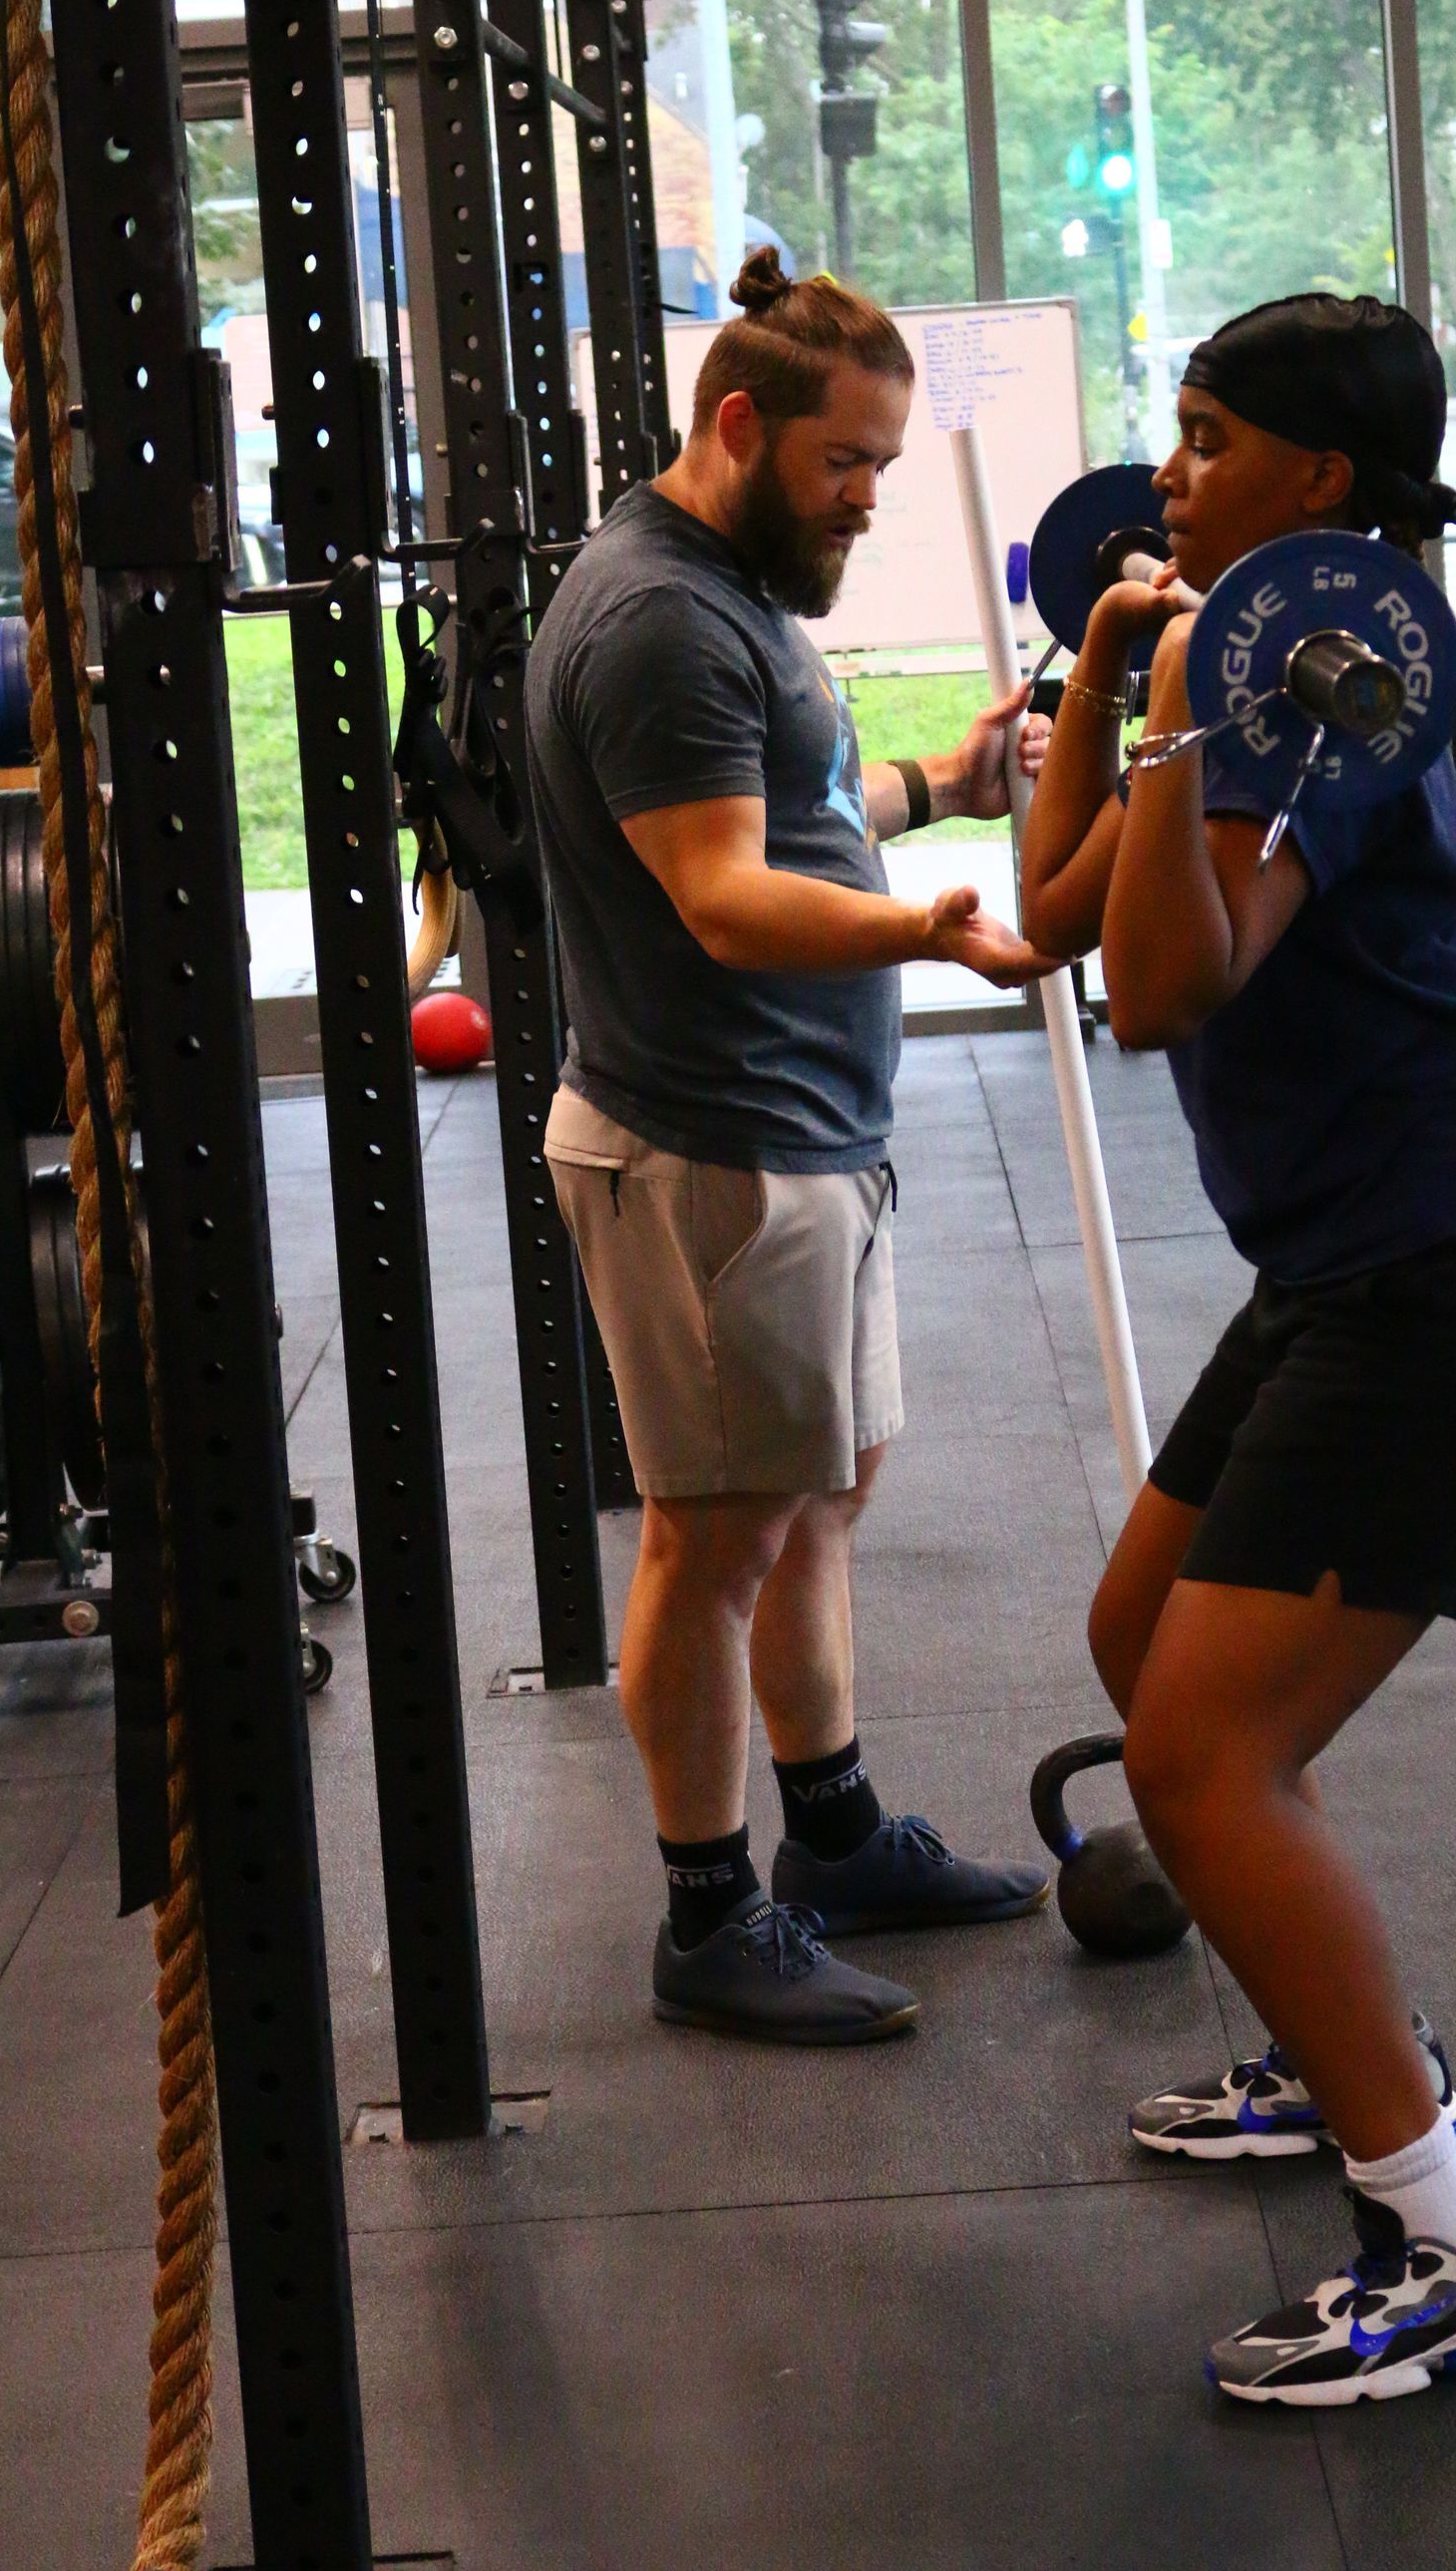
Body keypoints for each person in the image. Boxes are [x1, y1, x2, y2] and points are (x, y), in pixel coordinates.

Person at [1018, 291, 1456, 2406]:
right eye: (1167, 434)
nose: (1169, 472)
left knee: (1204, 1757)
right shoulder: (1236, 691)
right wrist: (1108, 679)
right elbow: (1052, 912)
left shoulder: (1336, 703)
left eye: (1206, 437)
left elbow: (1165, 989)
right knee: (1140, 1637)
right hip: (1357, 1265)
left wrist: (1184, 712)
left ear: (1320, 486)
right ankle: (1335, 2052)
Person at [525, 249, 1056, 2047]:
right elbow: (728, 896)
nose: (870, 498)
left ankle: (831, 1839)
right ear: (739, 426)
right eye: (849, 464)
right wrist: (930, 933)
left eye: (890, 465)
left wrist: (943, 783)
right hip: (709, 1150)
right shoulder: (662, 617)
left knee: (819, 1501)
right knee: (716, 1533)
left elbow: (794, 808)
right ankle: (708, 1910)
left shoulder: (731, 595)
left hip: (804, 1130)